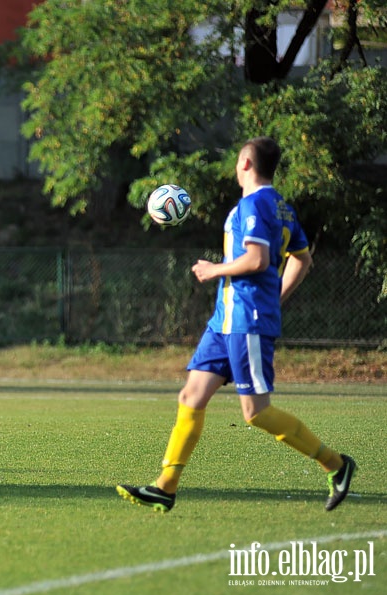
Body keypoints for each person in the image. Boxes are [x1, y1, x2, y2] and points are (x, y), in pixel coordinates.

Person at [116, 137, 356, 512]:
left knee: (256, 412)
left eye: (236, 159)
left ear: (246, 162)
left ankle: (336, 464)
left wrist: (215, 270)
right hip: (225, 320)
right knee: (191, 397)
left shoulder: (254, 205)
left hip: (248, 320)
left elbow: (258, 260)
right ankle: (165, 486)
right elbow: (302, 260)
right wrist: (275, 297)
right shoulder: (282, 208)